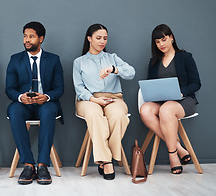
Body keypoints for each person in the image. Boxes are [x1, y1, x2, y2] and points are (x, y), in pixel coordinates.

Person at [73, 23, 135, 180]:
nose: (102, 41)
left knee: (119, 116)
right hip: (88, 99)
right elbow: (79, 89)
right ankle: (107, 161)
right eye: (98, 38)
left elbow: (131, 73)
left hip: (114, 98)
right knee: (95, 116)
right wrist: (94, 99)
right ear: (89, 39)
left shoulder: (112, 58)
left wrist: (114, 69)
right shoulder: (79, 62)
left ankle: (105, 156)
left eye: (105, 38)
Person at [6, 21, 64, 185]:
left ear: (41, 38)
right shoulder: (15, 59)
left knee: (49, 111)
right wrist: (20, 97)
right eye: (25, 36)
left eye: (31, 36)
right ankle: (29, 165)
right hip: (23, 104)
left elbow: (59, 88)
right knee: (14, 110)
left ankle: (43, 165)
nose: (27, 40)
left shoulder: (53, 60)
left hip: (45, 103)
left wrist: (46, 97)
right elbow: (9, 88)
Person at [139, 24, 201, 174]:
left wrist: (181, 93)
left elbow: (196, 83)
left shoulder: (185, 57)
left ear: (171, 38)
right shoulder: (153, 62)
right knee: (145, 110)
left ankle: (172, 154)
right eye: (157, 42)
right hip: (162, 101)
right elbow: (152, 84)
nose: (161, 44)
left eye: (164, 39)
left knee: (166, 110)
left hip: (184, 101)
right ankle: (179, 148)